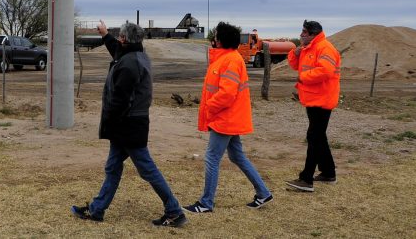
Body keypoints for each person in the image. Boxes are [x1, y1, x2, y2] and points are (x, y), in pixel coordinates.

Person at [71, 20, 187, 228]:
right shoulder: (135, 55)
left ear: (124, 39)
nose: (118, 39)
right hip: (129, 124)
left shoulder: (130, 64)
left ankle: (174, 211)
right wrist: (105, 35)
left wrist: (109, 122)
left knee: (147, 169)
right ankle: (97, 210)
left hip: (129, 125)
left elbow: (121, 100)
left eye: (119, 36)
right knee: (113, 167)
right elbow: (117, 51)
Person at [183, 22, 273, 214]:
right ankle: (263, 192)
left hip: (225, 119)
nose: (213, 38)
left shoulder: (231, 60)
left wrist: (209, 107)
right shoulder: (225, 59)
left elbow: (227, 94)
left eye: (215, 35)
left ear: (221, 40)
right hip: (227, 118)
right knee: (236, 156)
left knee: (212, 159)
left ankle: (206, 203)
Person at [285, 20, 341, 192]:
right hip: (313, 99)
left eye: (304, 32)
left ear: (313, 34)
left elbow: (325, 71)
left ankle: (306, 179)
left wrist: (304, 77)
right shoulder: (308, 48)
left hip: (322, 99)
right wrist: (295, 52)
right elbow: (295, 65)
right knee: (318, 136)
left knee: (314, 137)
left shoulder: (325, 48)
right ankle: (328, 172)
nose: (301, 34)